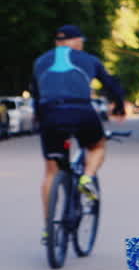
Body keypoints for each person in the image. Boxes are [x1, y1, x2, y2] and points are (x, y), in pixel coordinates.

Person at [31, 24, 125, 217]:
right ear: (74, 41)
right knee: (97, 145)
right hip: (81, 110)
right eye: (81, 41)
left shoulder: (40, 61)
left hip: (50, 113)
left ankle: (48, 229)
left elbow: (36, 95)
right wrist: (119, 107)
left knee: (51, 171)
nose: (82, 45)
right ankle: (87, 178)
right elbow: (111, 85)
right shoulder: (88, 59)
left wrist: (40, 120)